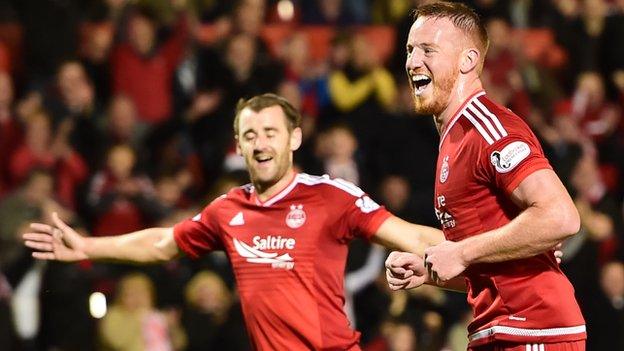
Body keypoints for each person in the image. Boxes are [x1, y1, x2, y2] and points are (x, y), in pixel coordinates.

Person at [22, 93, 445, 350]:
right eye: (250, 135)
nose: (261, 144)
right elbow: (161, 244)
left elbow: (412, 235)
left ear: (294, 139)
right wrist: (88, 245)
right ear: (239, 147)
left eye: (271, 132)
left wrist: (482, 251)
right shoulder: (227, 210)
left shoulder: (331, 196)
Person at [384, 2, 586, 351]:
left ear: (468, 61)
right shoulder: (456, 136)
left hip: (534, 329)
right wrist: (429, 271)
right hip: (501, 330)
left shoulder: (487, 128)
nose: (413, 62)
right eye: (410, 50)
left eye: (428, 50)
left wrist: (460, 252)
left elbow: (561, 216)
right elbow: (495, 260)